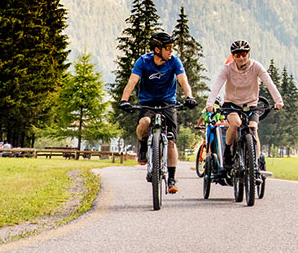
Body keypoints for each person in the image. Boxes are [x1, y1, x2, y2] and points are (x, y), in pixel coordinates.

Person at [119, 31, 197, 193]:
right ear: (157, 49)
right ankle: (142, 145)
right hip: (148, 102)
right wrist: (124, 100)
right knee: (144, 123)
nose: (171, 51)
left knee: (171, 141)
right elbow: (132, 81)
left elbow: (183, 80)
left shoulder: (174, 61)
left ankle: (172, 179)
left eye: (172, 47)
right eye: (168, 47)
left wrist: (189, 96)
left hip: (168, 103)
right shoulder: (143, 61)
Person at [206, 40, 283, 177]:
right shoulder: (228, 69)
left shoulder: (256, 67)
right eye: (237, 54)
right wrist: (210, 103)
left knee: (253, 129)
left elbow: (269, 83)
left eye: (243, 53)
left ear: (248, 53)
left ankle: (256, 163)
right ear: (233, 56)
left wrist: (278, 101)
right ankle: (228, 152)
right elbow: (217, 85)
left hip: (251, 104)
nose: (241, 57)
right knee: (235, 123)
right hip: (231, 104)